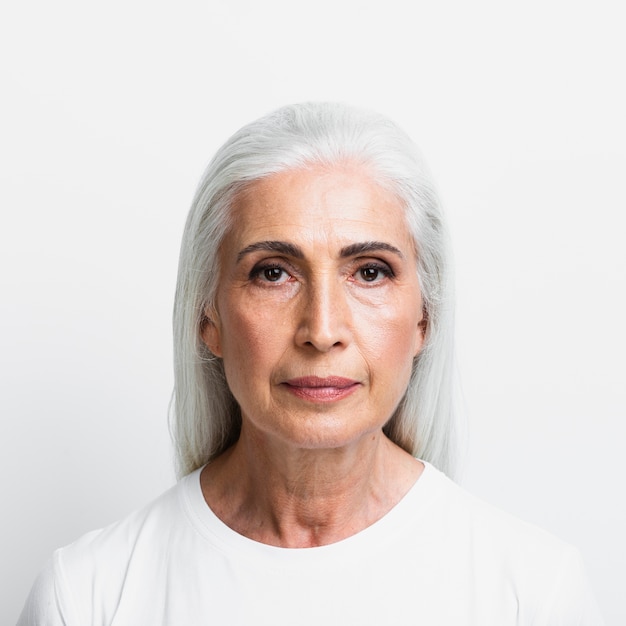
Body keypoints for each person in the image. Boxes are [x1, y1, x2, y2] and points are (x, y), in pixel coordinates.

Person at [17, 102, 604, 625]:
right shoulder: (87, 596)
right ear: (208, 317)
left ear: (425, 317)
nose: (322, 330)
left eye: (370, 272)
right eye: (273, 272)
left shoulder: (533, 594)